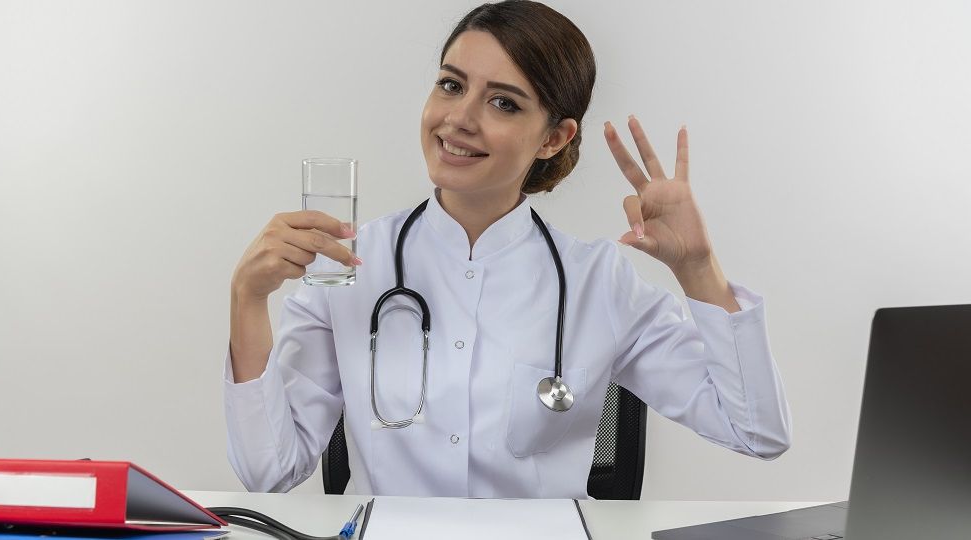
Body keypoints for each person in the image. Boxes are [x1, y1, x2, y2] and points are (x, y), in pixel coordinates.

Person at [225, 0, 791, 499]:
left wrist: (698, 271)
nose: (460, 119)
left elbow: (756, 432)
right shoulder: (349, 263)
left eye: (504, 103)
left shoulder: (598, 281)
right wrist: (248, 300)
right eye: (451, 85)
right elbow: (270, 471)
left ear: (554, 138)